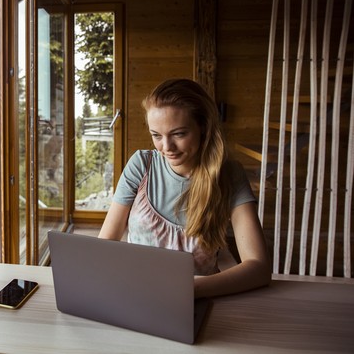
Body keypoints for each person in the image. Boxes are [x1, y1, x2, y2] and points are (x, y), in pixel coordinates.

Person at [99, 78, 271, 298]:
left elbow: (259, 267)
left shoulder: (229, 175)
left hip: (197, 299)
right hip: (136, 293)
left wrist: (186, 292)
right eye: (156, 136)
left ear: (203, 127)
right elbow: (105, 246)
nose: (167, 147)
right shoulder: (142, 165)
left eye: (179, 134)